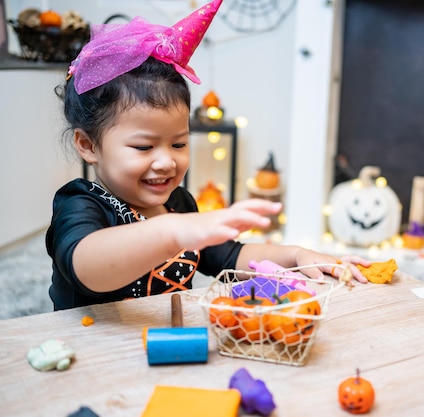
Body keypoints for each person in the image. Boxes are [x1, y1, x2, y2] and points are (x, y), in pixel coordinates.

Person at [46, 0, 369, 310]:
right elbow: (87, 269)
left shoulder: (179, 203)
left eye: (178, 144)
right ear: (88, 145)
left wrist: (297, 255)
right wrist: (175, 231)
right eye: (144, 147)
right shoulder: (80, 202)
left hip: (168, 346)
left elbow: (230, 258)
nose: (166, 161)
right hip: (89, 351)